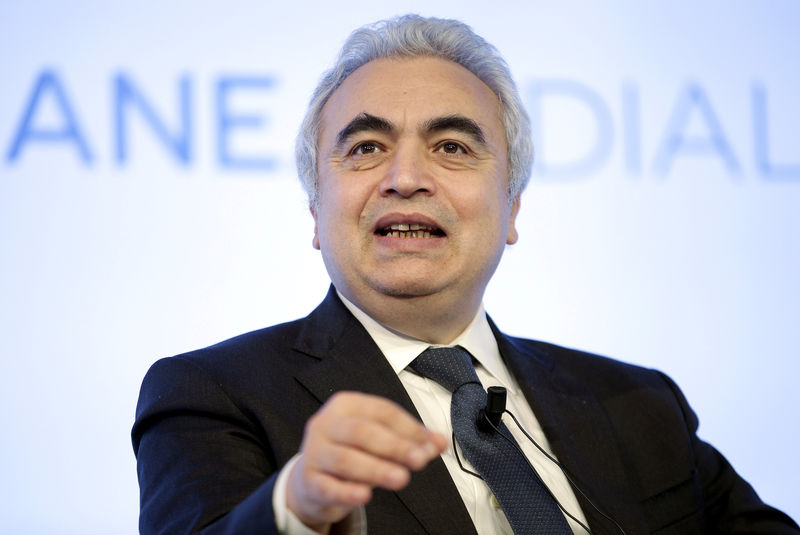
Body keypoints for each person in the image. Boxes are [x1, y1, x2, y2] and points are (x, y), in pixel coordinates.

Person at [132, 14, 799, 535]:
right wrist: (298, 505)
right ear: (315, 211)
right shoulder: (211, 394)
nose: (406, 179)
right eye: (366, 148)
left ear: (512, 207)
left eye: (452, 146)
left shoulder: (638, 404)